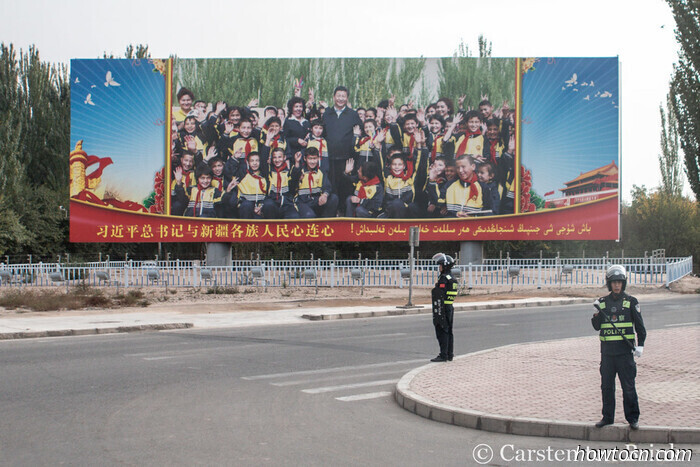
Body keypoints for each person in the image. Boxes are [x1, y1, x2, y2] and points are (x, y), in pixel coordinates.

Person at [591, 265, 646, 430]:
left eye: (619, 282)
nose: (617, 285)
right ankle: (607, 417)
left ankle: (633, 418)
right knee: (607, 387)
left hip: (624, 354)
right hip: (607, 354)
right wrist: (595, 316)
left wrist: (641, 345)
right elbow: (597, 326)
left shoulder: (631, 302)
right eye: (614, 282)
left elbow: (640, 327)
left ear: (624, 283)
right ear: (609, 284)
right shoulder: (601, 303)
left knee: (628, 387)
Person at [322, 85, 363, 210]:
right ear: (334, 97)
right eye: (338, 96)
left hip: (347, 157)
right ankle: (332, 212)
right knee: (331, 185)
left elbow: (360, 132)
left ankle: (344, 211)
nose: (340, 98)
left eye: (343, 96)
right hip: (330, 157)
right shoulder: (327, 113)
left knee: (345, 185)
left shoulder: (353, 114)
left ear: (347, 98)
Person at [430, 253, 459, 362]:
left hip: (442, 309)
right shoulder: (452, 278)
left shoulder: (443, 279)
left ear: (445, 266)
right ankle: (449, 354)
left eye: (440, 265)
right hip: (450, 307)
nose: (439, 267)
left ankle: (443, 355)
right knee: (449, 331)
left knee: (442, 331)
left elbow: (439, 294)